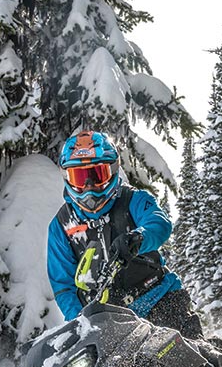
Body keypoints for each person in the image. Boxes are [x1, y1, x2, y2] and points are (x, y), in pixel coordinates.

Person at [46, 130, 202, 338]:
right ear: (67, 177)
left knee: (187, 358)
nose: (89, 187)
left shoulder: (134, 199)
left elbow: (159, 223)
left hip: (160, 299)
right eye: (80, 178)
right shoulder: (61, 226)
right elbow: (63, 286)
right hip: (111, 324)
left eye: (96, 175)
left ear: (112, 171)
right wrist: (82, 321)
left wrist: (138, 238)